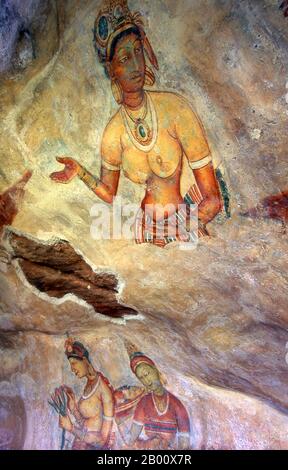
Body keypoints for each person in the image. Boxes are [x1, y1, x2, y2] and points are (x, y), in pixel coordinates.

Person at [50, 0, 223, 246]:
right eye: (123, 58)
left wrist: (179, 232)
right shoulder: (114, 132)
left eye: (137, 51)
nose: (135, 64)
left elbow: (213, 200)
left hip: (186, 224)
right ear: (112, 70)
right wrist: (79, 172)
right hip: (145, 231)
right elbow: (109, 194)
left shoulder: (176, 108)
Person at [115, 342, 190, 450]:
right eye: (141, 378)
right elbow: (130, 440)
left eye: (147, 374)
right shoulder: (144, 403)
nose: (146, 380)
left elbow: (184, 446)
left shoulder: (177, 405)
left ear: (155, 370)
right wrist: (120, 421)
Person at [58, 337, 114, 450]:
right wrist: (73, 407)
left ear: (84, 360)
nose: (72, 369)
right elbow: (86, 424)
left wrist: (71, 428)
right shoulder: (89, 384)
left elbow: (102, 441)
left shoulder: (103, 390)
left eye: (73, 363)